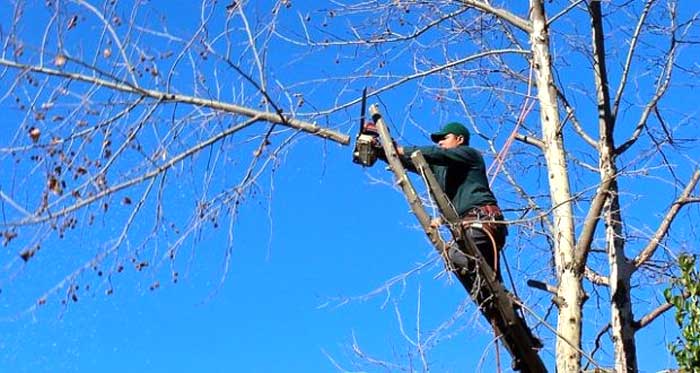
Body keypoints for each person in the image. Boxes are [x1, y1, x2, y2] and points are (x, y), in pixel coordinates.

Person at [376, 122, 507, 282]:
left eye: (444, 138)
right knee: (486, 283)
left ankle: (487, 282)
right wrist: (382, 151)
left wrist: (401, 149)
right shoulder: (441, 169)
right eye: (438, 140)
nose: (440, 143)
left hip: (482, 221)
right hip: (468, 226)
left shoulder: (469, 155)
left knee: (455, 255)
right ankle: (496, 296)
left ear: (459, 139)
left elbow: (435, 154)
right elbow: (412, 162)